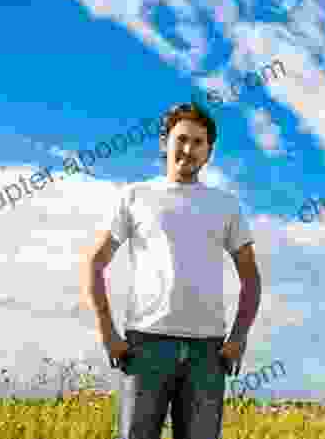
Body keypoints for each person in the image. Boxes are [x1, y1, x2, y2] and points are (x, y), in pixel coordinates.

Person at [79, 102, 262, 439]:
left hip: (208, 352)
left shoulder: (225, 205)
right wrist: (107, 332)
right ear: (165, 142)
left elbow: (250, 277)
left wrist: (238, 337)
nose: (188, 149)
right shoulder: (135, 196)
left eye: (198, 142)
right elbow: (96, 263)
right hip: (145, 345)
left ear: (209, 151)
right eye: (181, 139)